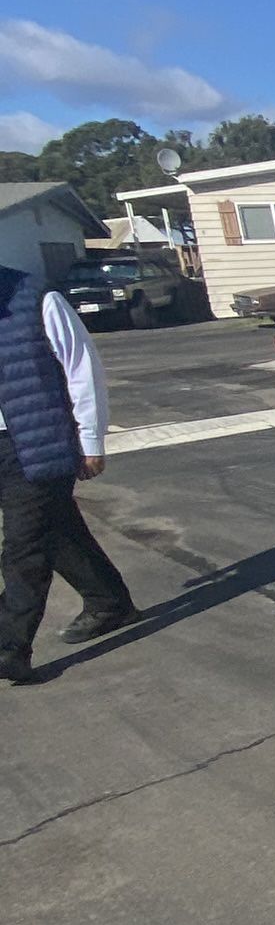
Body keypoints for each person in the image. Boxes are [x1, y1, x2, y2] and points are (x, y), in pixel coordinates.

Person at [0, 264, 136, 685]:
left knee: (24, 549)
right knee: (53, 528)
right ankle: (108, 600)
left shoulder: (35, 297)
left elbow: (81, 368)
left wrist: (91, 440)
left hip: (32, 443)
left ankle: (9, 648)